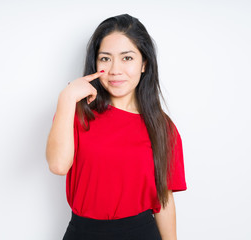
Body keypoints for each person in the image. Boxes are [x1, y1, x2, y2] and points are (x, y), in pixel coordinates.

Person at [46, 13, 187, 240]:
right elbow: (58, 165)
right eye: (105, 58)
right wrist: (67, 97)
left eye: (127, 58)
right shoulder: (76, 112)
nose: (115, 70)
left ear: (144, 64)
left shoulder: (163, 127)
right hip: (83, 233)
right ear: (95, 63)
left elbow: (165, 200)